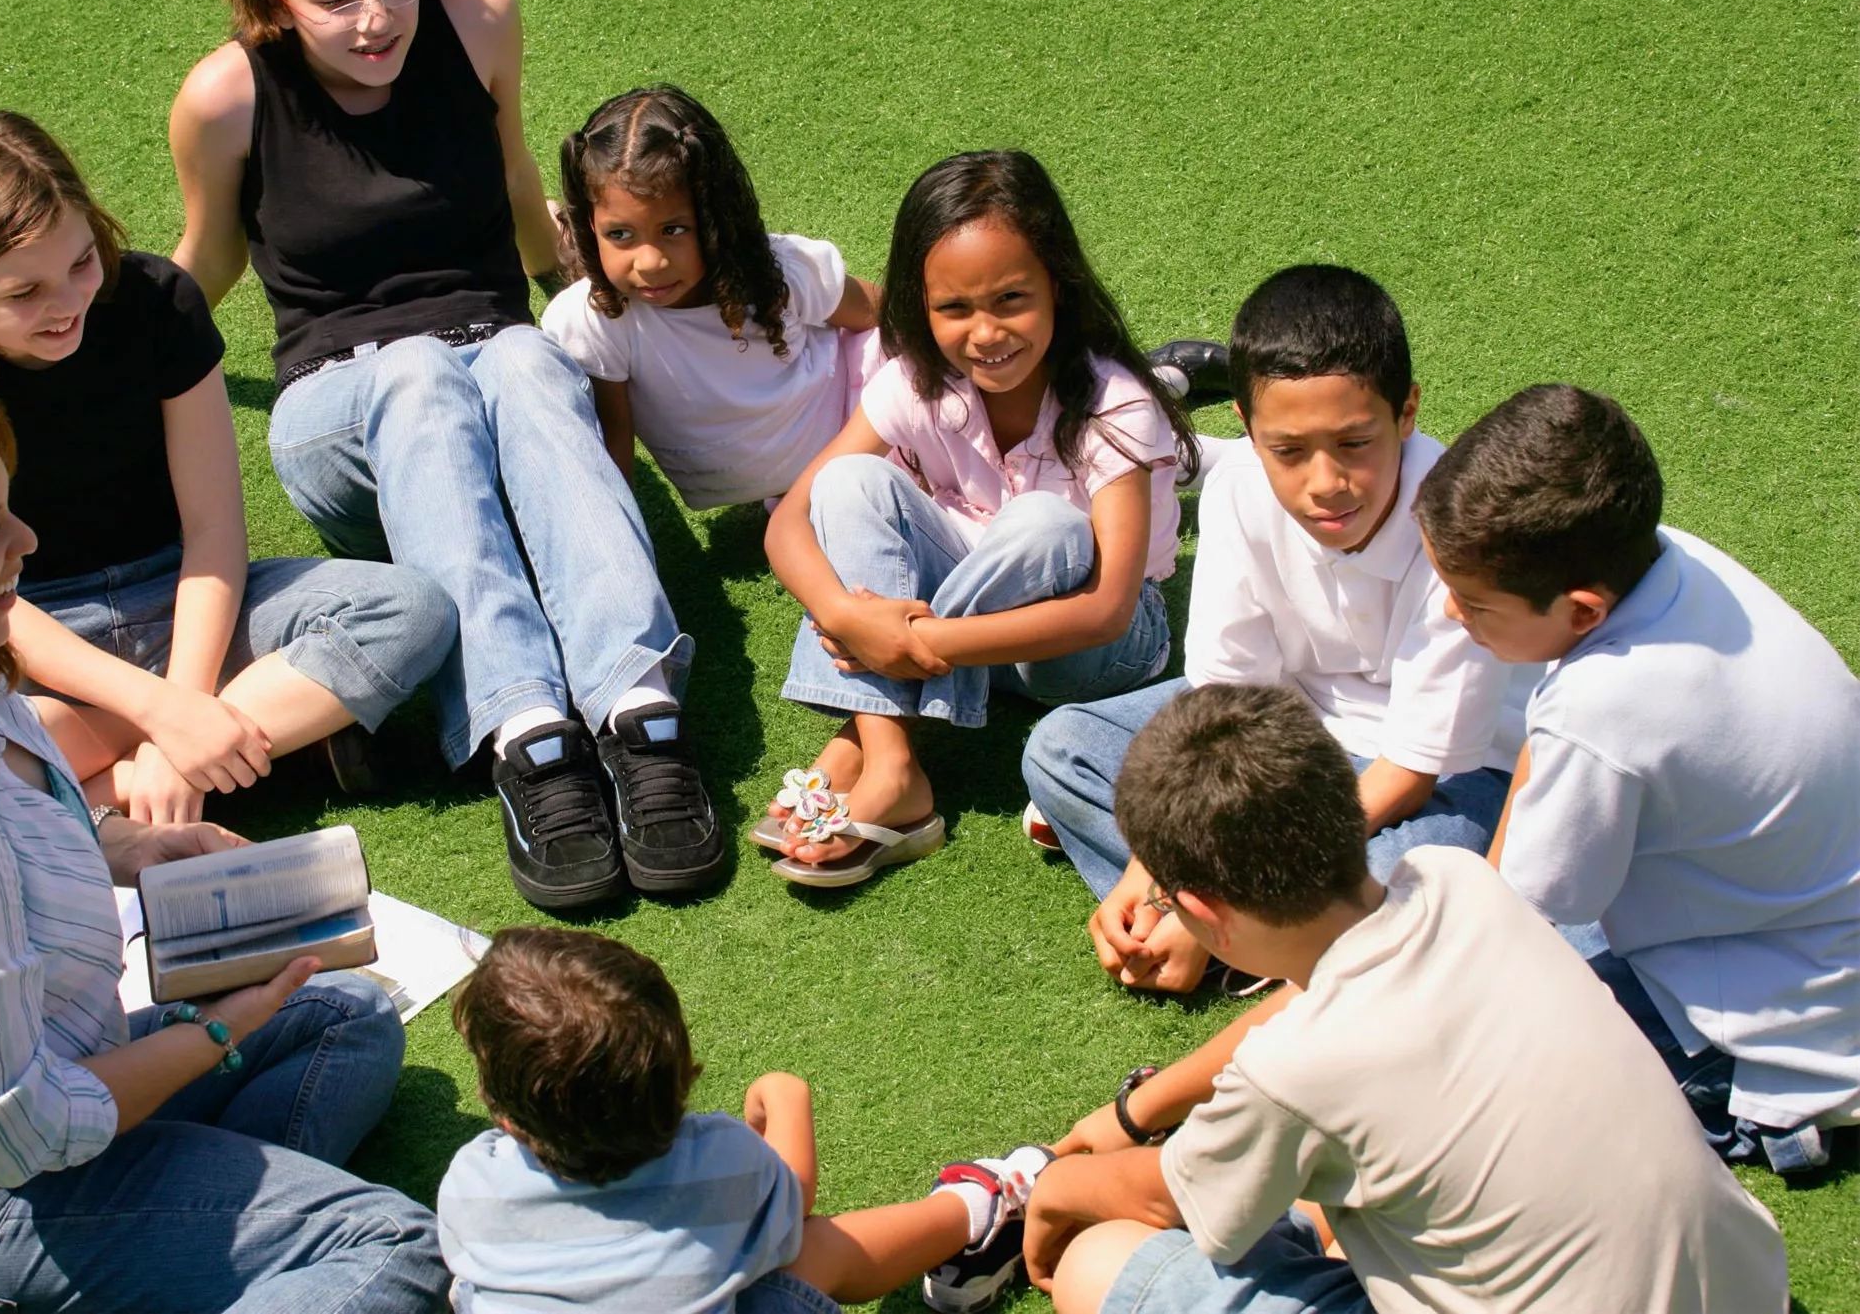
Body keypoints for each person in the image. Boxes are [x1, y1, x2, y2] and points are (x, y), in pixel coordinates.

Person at [0, 383, 444, 1310]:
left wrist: (119, 841)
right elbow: (23, 1137)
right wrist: (222, 1026)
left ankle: (170, 1254)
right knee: (393, 1253)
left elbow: (11, 815)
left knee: (345, 1016)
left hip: (47, 1081)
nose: (25, 542)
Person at [169, 0, 719, 908]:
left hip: (492, 362)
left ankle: (641, 710)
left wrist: (566, 271)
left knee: (522, 352)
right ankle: (527, 734)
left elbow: (512, 167)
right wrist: (124, 346)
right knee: (422, 372)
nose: (376, 18)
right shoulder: (228, 97)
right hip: (343, 405)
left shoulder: (478, 19)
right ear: (273, 5)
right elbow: (214, 260)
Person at [1020, 683, 1787, 1314]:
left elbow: (1161, 1201)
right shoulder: (1464, 882)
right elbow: (1319, 999)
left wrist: (1053, 1189)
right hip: (1746, 1288)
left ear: (1206, 912)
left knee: (1101, 1263)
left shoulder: (1289, 1075)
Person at [0, 110, 455, 825]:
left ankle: (120, 789)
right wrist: (162, 712)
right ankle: (262, 746)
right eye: (24, 293)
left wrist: (179, 716)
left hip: (184, 598)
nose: (66, 305)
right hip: (24, 622)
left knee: (409, 609)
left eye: (82, 262)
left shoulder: (156, 303)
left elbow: (213, 532)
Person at [1022, 264, 1527, 990]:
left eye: (1354, 443)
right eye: (1287, 451)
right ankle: (1273, 948)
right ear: (1245, 427)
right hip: (1289, 738)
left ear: (1406, 411)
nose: (1324, 482)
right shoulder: (1234, 488)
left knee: (1411, 880)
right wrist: (1158, 868)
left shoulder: (1454, 525)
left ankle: (1238, 940)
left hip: (1447, 774)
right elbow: (1225, 712)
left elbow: (1412, 770)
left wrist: (1205, 889)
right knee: (1063, 750)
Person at [1415, 383, 1860, 1175]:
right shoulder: (1669, 559)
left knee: (1455, 1050)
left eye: (1475, 602)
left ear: (1582, 610)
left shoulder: (1605, 708)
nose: (1451, 613)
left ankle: (1777, 1124)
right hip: (1814, 948)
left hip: (1770, 1053)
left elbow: (1508, 928)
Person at [757, 151, 1197, 887]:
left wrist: (920, 640)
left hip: (1092, 652)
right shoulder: (915, 384)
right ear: (919, 306)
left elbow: (1108, 609)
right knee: (848, 480)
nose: (985, 333)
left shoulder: (1113, 404)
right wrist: (843, 611)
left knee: (1045, 523)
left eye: (1011, 300)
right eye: (954, 309)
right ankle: (893, 765)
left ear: (1057, 286)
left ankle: (859, 730)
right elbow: (787, 524)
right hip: (979, 615)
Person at [437, 926, 1055, 1313]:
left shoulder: (471, 1183)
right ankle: (979, 1207)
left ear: (508, 1117)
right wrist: (785, 1095)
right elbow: (796, 1200)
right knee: (807, 1251)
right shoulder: (718, 1160)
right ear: (679, 1074)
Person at [540, 84, 884, 508]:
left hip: (863, 421)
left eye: (674, 230)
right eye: (620, 234)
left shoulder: (773, 270)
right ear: (591, 230)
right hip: (807, 487)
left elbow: (883, 313)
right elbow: (614, 448)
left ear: (716, 218)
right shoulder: (595, 322)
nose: (649, 262)